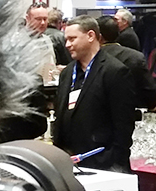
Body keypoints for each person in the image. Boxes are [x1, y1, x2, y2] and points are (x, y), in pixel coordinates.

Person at [52, 16, 136, 172]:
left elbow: (123, 124)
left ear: (91, 36)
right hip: (69, 161)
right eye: (66, 40)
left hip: (103, 164)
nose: (67, 45)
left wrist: (112, 160)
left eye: (72, 39)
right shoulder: (68, 73)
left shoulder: (115, 71)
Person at [97, 15, 156, 110]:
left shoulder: (89, 59)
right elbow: (148, 90)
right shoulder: (136, 57)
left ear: (98, 37)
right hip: (131, 113)